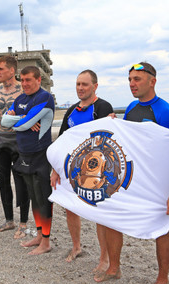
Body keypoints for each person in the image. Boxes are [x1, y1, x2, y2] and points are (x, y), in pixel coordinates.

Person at [96, 62, 169, 284]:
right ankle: (114, 268)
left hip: (155, 183)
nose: (132, 84)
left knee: (160, 228)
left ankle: (162, 278)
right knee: (112, 218)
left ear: (152, 81)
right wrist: (114, 122)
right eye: (130, 79)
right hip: (130, 178)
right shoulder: (131, 107)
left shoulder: (165, 112)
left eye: (137, 79)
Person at [51, 70, 113, 271]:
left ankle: (104, 258)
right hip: (72, 168)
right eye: (78, 84)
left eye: (85, 84)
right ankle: (76, 246)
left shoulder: (103, 107)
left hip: (96, 170)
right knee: (71, 208)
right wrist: (55, 169)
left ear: (95, 86)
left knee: (99, 213)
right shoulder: (71, 111)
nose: (80, 88)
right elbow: (62, 141)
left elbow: (111, 141)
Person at [1, 66, 55, 255]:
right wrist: (26, 120)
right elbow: (3, 122)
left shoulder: (44, 98)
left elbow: (20, 124)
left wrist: (20, 121)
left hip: (40, 154)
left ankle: (46, 241)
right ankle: (39, 235)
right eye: (22, 80)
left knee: (43, 198)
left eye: (28, 80)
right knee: (33, 196)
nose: (24, 84)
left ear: (39, 80)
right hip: (24, 154)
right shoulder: (20, 99)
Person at [0, 56, 30, 237]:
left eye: (2, 69)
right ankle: (9, 220)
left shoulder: (24, 90)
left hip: (18, 141)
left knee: (22, 182)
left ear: (12, 71)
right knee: (2, 181)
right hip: (0, 140)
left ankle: (23, 223)